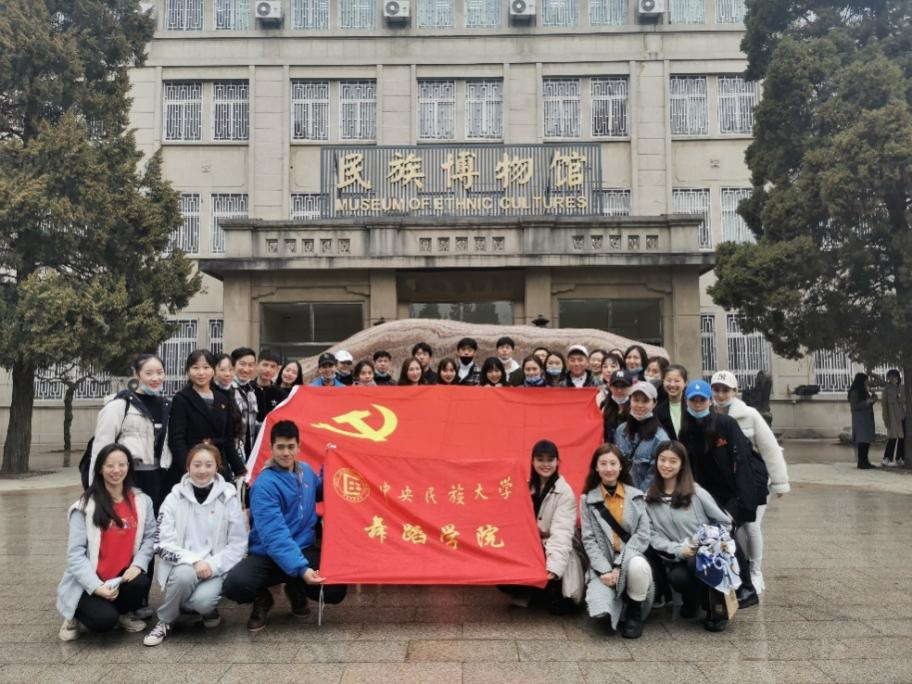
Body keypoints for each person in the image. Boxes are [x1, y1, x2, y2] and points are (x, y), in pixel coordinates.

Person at [222, 421, 347, 631]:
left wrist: (332, 461)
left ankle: (296, 587)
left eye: (291, 447)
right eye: (280, 447)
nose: (286, 453)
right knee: (235, 585)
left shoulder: (305, 471)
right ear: (271, 448)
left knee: (335, 589)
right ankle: (262, 598)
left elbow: (320, 491)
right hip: (267, 554)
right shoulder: (264, 485)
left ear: (298, 447)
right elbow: (274, 536)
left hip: (303, 548)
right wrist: (302, 569)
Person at [143, 442, 248, 646]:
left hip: (214, 568)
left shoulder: (228, 498)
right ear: (188, 467)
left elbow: (238, 544)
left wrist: (212, 565)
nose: (202, 470)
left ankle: (203, 609)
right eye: (197, 464)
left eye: (208, 465)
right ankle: (165, 621)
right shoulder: (173, 498)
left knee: (202, 602)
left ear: (217, 467)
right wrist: (194, 561)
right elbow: (162, 542)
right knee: (185, 576)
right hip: (183, 565)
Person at [677, 379, 766, 608]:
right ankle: (722, 586)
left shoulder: (725, 424)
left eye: (702, 400)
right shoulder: (686, 430)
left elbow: (743, 460)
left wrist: (746, 500)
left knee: (726, 534)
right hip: (709, 495)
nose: (698, 404)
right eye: (693, 400)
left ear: (710, 401)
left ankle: (747, 588)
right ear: (687, 402)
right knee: (715, 537)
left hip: (735, 492)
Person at [57, 444, 156, 641]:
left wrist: (137, 565)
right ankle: (73, 614)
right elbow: (75, 555)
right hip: (89, 582)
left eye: (122, 464)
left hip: (118, 580)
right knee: (104, 621)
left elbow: (150, 537)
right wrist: (96, 587)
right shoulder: (84, 507)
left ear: (129, 466)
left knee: (140, 582)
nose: (116, 470)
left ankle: (122, 613)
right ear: (100, 469)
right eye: (109, 465)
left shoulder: (142, 501)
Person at [711, 370, 790, 594]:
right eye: (716, 390)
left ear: (735, 391)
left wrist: (779, 481)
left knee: (752, 526)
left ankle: (756, 572)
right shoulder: (708, 415)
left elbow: (770, 448)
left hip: (754, 480)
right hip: (729, 483)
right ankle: (742, 568)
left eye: (726, 390)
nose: (721, 395)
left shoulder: (750, 415)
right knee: (734, 528)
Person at [644, 440, 733, 632]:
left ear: (682, 464)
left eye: (673, 461)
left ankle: (715, 609)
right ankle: (692, 601)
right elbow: (651, 535)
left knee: (696, 562)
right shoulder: (649, 499)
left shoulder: (696, 492)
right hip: (679, 556)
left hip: (708, 554)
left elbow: (725, 522)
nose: (666, 465)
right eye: (662, 459)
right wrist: (679, 550)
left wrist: (701, 542)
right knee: (677, 577)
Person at [580, 444, 654, 639]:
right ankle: (620, 602)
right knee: (600, 611)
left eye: (613, 463)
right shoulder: (587, 500)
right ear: (596, 467)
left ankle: (634, 611)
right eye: (603, 463)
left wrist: (620, 565)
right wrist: (605, 570)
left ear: (621, 466)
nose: (608, 468)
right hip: (604, 563)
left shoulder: (636, 496)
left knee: (637, 566)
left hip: (630, 559)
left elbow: (643, 535)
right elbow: (588, 539)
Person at [501, 440, 584, 614]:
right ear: (532, 461)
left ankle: (543, 589)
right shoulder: (524, 487)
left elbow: (562, 533)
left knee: (562, 607)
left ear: (557, 462)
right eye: (540, 459)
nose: (545, 464)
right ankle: (528, 590)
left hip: (556, 548)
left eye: (550, 459)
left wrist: (554, 567)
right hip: (531, 548)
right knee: (502, 565)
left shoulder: (565, 493)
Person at [90, 354, 173, 514]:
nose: (155, 378)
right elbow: (100, 449)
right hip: (127, 477)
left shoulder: (168, 407)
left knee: (155, 523)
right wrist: (95, 489)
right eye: (148, 373)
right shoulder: (119, 406)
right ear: (136, 374)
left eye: (160, 372)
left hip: (160, 478)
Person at [169, 350, 246, 487]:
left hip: (218, 466)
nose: (201, 372)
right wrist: (188, 469)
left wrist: (240, 469)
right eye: (195, 367)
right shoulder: (181, 399)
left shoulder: (223, 398)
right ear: (188, 371)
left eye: (206, 367)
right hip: (194, 467)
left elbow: (228, 440)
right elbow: (177, 441)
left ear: (213, 370)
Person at [614, 381, 670, 492]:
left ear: (654, 404)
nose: (639, 405)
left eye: (645, 401)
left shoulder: (660, 439)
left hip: (642, 496)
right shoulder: (621, 430)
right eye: (636, 400)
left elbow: (654, 476)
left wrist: (636, 496)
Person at [230, 347, 259, 458]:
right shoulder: (227, 390)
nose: (246, 369)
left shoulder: (252, 391)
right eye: (242, 364)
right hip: (233, 453)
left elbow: (251, 423)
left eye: (251, 365)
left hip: (249, 452)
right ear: (233, 365)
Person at [847, 373, 878, 469]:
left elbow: (868, 403)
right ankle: (861, 462)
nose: (867, 382)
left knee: (867, 441)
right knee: (862, 441)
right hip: (860, 420)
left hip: (867, 419)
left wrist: (873, 397)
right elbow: (855, 406)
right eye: (865, 380)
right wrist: (867, 402)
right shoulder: (854, 392)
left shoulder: (864, 391)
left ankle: (866, 461)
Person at [656, 364, 688, 440]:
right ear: (663, 381)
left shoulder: (692, 407)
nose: (672, 384)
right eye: (668, 380)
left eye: (677, 381)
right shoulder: (658, 410)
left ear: (685, 382)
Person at [254, 350, 285, 426]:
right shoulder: (247, 389)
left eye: (273, 366)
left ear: (277, 369)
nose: (268, 370)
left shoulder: (281, 394)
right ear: (257, 365)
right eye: (265, 365)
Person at [881, 369, 905, 466]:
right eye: (890, 377)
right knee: (892, 438)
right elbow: (884, 406)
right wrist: (886, 418)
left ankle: (900, 457)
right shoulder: (886, 390)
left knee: (902, 439)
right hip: (893, 418)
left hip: (903, 417)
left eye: (894, 376)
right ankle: (887, 458)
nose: (892, 379)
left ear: (898, 377)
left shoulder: (902, 388)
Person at [602, 369, 633, 441]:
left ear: (631, 387)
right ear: (610, 387)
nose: (619, 390)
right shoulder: (604, 406)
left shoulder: (636, 408)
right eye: (616, 386)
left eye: (623, 386)